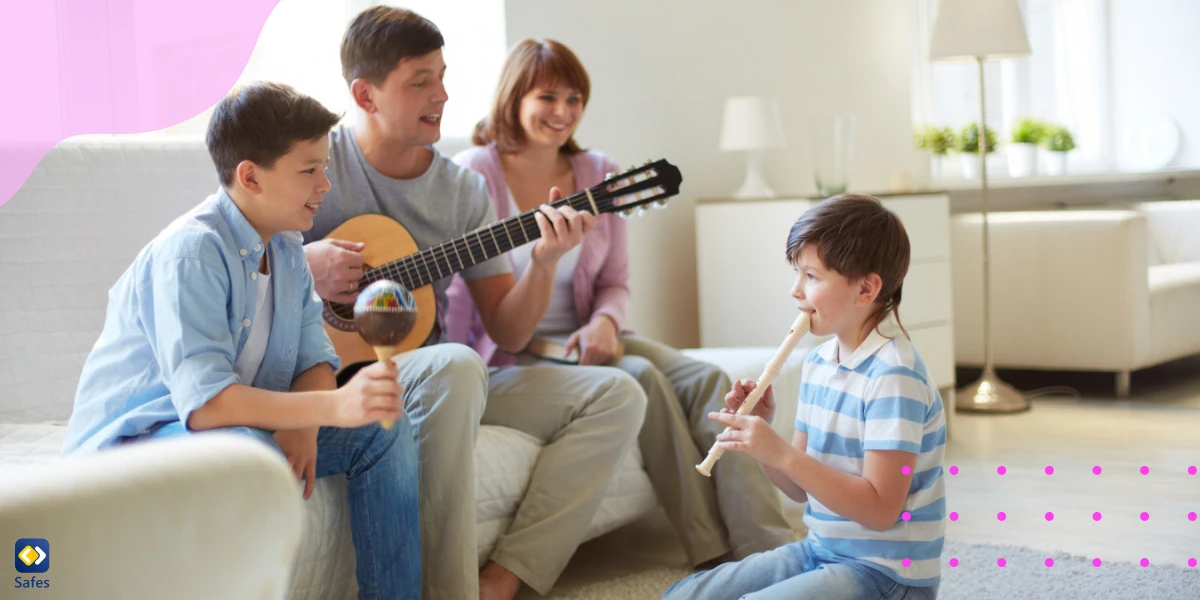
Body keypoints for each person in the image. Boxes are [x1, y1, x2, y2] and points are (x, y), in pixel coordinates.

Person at [300, 8, 646, 600]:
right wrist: (307, 266)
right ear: (365, 93)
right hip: (333, 377)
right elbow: (234, 251)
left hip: (431, 377)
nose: (442, 95)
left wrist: (542, 262)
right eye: (419, 81)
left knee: (618, 394)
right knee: (457, 365)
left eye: (442, 76)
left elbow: (508, 333)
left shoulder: (463, 190)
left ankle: (503, 577)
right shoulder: (315, 161)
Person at [61, 82, 420, 600]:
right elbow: (205, 406)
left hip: (233, 426)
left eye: (325, 166)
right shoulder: (193, 253)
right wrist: (319, 408)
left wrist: (307, 416)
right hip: (140, 440)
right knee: (246, 456)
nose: (325, 184)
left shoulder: (291, 250)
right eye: (309, 169)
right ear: (250, 175)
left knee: (383, 428)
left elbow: (314, 353)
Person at [445, 38, 793, 571]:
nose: (562, 113)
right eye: (548, 97)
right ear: (513, 96)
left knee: (706, 381)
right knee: (642, 380)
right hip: (513, 349)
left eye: (574, 99)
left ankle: (769, 549)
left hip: (588, 337)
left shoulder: (597, 173)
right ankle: (714, 553)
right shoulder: (473, 174)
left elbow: (615, 281)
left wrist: (607, 322)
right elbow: (461, 302)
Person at [661, 194, 946, 600]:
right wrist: (762, 439)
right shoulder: (818, 363)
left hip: (886, 576)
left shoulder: (894, 376)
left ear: (866, 288)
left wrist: (781, 453)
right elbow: (799, 490)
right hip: (820, 551)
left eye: (811, 276)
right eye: (797, 273)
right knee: (685, 595)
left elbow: (881, 511)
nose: (796, 290)